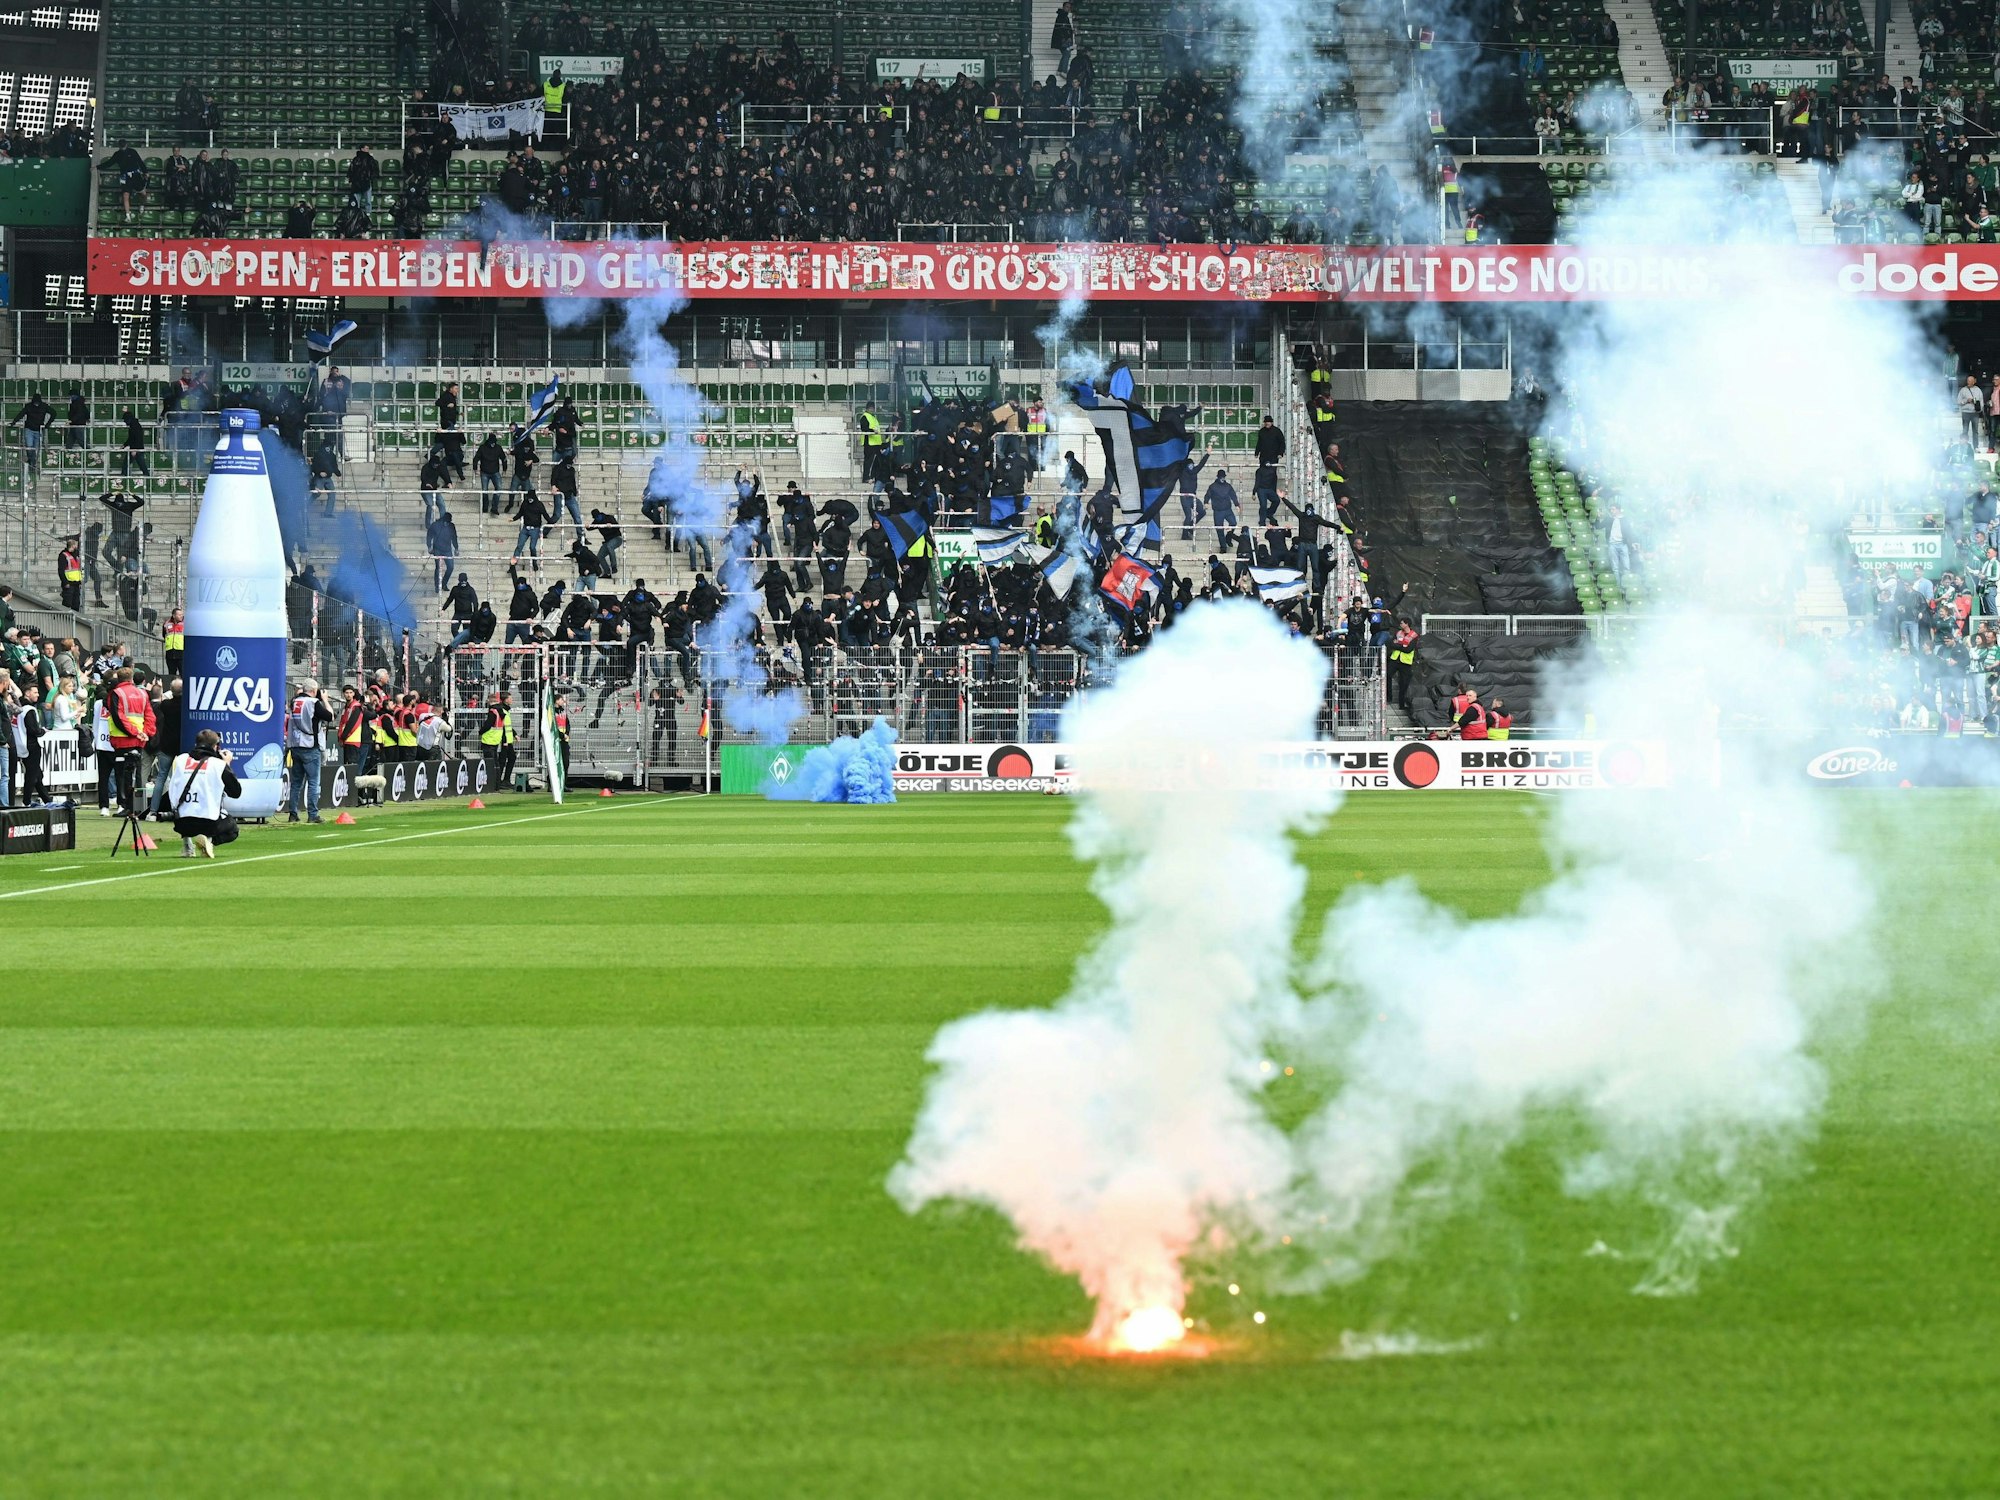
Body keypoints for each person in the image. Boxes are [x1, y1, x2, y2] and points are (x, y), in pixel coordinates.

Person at [166, 728, 241, 858]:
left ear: (196, 744)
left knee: (185, 805)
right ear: (216, 746)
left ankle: (187, 846)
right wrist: (227, 764)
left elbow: (174, 787)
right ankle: (209, 841)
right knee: (233, 830)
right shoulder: (218, 765)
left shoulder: (180, 760)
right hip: (208, 823)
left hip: (181, 822)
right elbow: (236, 792)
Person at [285, 678, 332, 823]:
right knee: (313, 781)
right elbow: (330, 716)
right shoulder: (313, 702)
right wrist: (325, 700)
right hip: (310, 745)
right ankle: (313, 814)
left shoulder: (294, 701)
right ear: (314, 690)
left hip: (295, 744)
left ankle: (293, 813)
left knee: (296, 782)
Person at [8, 391, 53, 478]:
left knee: (35, 449)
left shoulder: (44, 406)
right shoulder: (28, 406)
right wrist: (14, 422)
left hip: (38, 430)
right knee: (29, 447)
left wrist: (47, 424)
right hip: (29, 429)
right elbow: (21, 414)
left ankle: (32, 463)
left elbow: (54, 413)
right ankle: (32, 463)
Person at [1387, 618, 1419, 711]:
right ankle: (1389, 698)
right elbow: (1390, 644)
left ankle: (1401, 704)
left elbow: (1409, 649)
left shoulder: (1414, 635)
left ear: (1407, 624)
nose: (1400, 624)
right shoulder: (1398, 633)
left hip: (1405, 662)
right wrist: (1402, 645)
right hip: (1395, 659)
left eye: (1402, 623)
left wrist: (1398, 645)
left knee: (1404, 683)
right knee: (1388, 676)